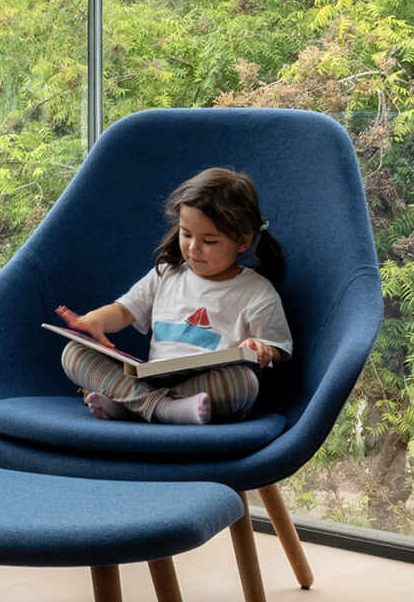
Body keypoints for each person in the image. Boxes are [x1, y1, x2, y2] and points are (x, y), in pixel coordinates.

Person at [55, 165, 291, 425]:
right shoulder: (167, 274)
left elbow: (277, 348)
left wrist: (263, 348)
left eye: (209, 241)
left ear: (243, 241)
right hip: (151, 376)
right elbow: (123, 311)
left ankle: (129, 405)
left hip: (202, 385)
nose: (193, 248)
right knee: (73, 353)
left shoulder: (257, 292)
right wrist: (95, 320)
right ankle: (164, 409)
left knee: (243, 383)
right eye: (186, 234)